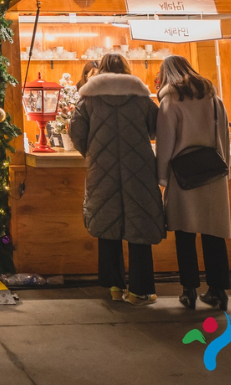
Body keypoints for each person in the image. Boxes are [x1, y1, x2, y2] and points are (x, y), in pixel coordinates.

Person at [69, 53, 163, 306]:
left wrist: (92, 153)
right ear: (126, 68)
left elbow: (76, 131)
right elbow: (156, 127)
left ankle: (114, 286)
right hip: (139, 168)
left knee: (106, 223)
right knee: (139, 226)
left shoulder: (88, 99)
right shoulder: (141, 97)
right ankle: (139, 291)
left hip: (102, 168)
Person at [156, 55, 231, 311]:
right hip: (213, 172)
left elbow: (165, 141)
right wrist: (226, 170)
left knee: (184, 234)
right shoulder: (212, 97)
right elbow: (224, 135)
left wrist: (162, 176)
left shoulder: (170, 99)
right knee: (214, 233)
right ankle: (218, 291)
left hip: (183, 175)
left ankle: (188, 290)